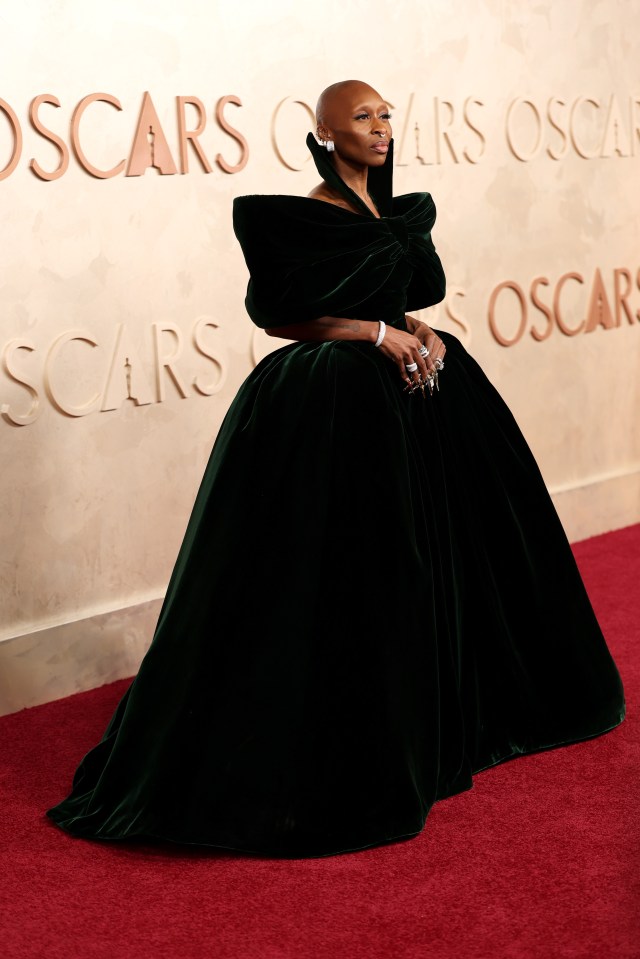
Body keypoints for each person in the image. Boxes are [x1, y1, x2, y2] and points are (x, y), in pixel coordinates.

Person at [47, 80, 625, 858]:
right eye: (363, 116)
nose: (382, 127)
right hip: (332, 405)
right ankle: (343, 733)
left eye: (387, 114)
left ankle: (445, 714)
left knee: (445, 555)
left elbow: (390, 294)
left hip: (411, 396)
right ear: (324, 133)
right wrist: (376, 333)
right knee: (348, 568)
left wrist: (414, 327)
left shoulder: (392, 211)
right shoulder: (291, 215)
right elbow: (282, 317)